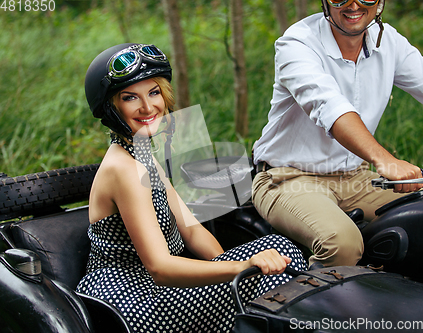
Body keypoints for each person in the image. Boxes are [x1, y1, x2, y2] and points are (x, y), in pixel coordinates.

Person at [76, 43, 306, 333]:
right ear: (110, 107)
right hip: (130, 299)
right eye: (130, 97)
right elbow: (159, 268)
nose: (148, 107)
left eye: (154, 92)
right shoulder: (123, 169)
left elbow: (192, 229)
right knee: (268, 272)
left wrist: (230, 265)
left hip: (156, 284)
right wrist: (241, 267)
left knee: (278, 251)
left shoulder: (141, 152)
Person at [252, 0, 423, 268]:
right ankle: (309, 303)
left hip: (355, 178)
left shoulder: (388, 41)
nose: (354, 4)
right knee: (343, 243)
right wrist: (386, 161)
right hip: (289, 178)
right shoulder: (297, 44)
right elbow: (329, 106)